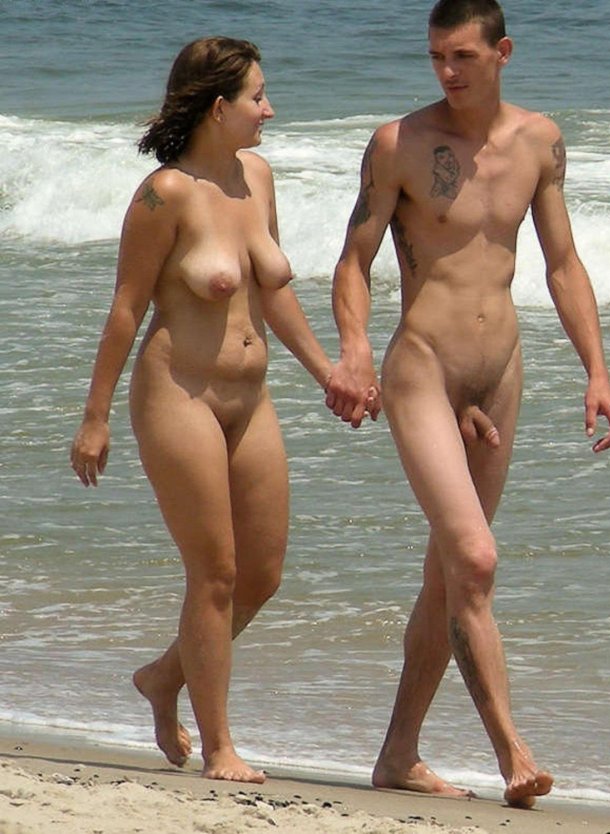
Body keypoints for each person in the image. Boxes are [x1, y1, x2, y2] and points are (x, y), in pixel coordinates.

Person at [325, 0, 610, 809]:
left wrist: (597, 371)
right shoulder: (400, 144)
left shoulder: (540, 141)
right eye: (436, 57)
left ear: (503, 52)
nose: (447, 71)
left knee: (450, 573)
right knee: (476, 558)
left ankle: (398, 755)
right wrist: (354, 350)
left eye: (461, 55)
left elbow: (562, 263)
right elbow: (353, 261)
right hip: (423, 369)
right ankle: (512, 753)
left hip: (502, 372)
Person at [70, 37, 332, 783]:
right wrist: (95, 417)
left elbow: (273, 291)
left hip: (251, 398)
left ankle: (162, 678)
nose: (268, 110)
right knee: (214, 572)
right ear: (219, 108)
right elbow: (125, 309)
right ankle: (220, 747)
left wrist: (329, 373)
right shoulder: (165, 195)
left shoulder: (258, 178)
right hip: (178, 393)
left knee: (262, 574)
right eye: (258, 97)